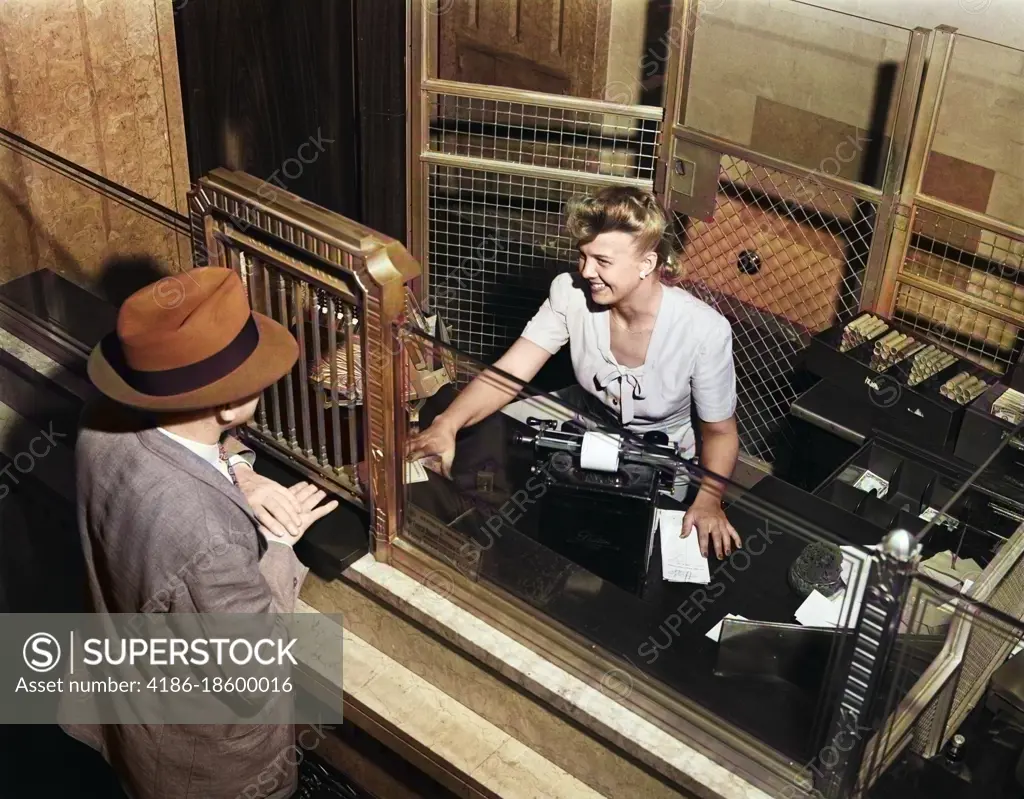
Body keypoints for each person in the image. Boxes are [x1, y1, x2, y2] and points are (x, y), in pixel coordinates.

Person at [62, 267, 337, 798]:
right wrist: (279, 546)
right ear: (231, 405)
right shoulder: (208, 536)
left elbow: (191, 440)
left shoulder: (102, 418)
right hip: (204, 768)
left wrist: (240, 471)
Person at [409, 187, 742, 559]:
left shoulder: (704, 330)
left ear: (647, 264)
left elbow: (721, 433)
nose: (586, 271)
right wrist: (447, 423)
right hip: (581, 420)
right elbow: (509, 372)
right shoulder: (570, 292)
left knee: (622, 543)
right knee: (489, 447)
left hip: (660, 450)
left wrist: (710, 501)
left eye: (602, 260)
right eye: (583, 256)